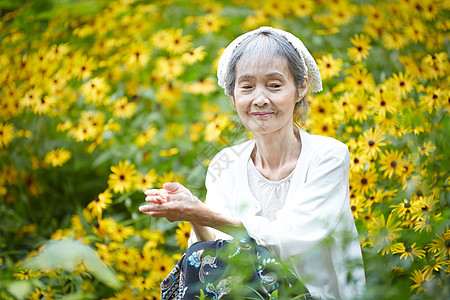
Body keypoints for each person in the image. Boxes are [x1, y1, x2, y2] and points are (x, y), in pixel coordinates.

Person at [139, 26, 366, 299]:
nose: (260, 99)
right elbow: (212, 259)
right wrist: (194, 218)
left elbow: (286, 240)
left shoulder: (328, 155)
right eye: (247, 86)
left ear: (301, 87)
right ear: (233, 96)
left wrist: (203, 214)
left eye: (274, 85)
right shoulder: (226, 163)